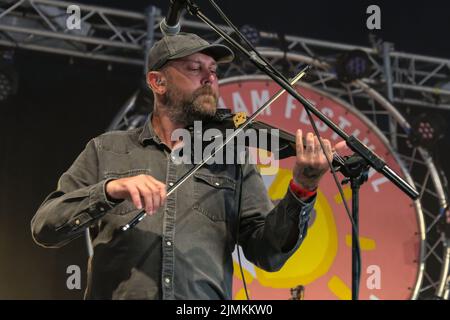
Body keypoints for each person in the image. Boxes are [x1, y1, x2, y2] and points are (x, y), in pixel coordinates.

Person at [31, 33, 337, 300]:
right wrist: (110, 190)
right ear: (157, 81)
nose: (210, 78)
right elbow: (46, 227)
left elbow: (268, 254)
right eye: (195, 69)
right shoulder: (107, 149)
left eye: (214, 71)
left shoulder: (230, 158)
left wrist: (303, 186)